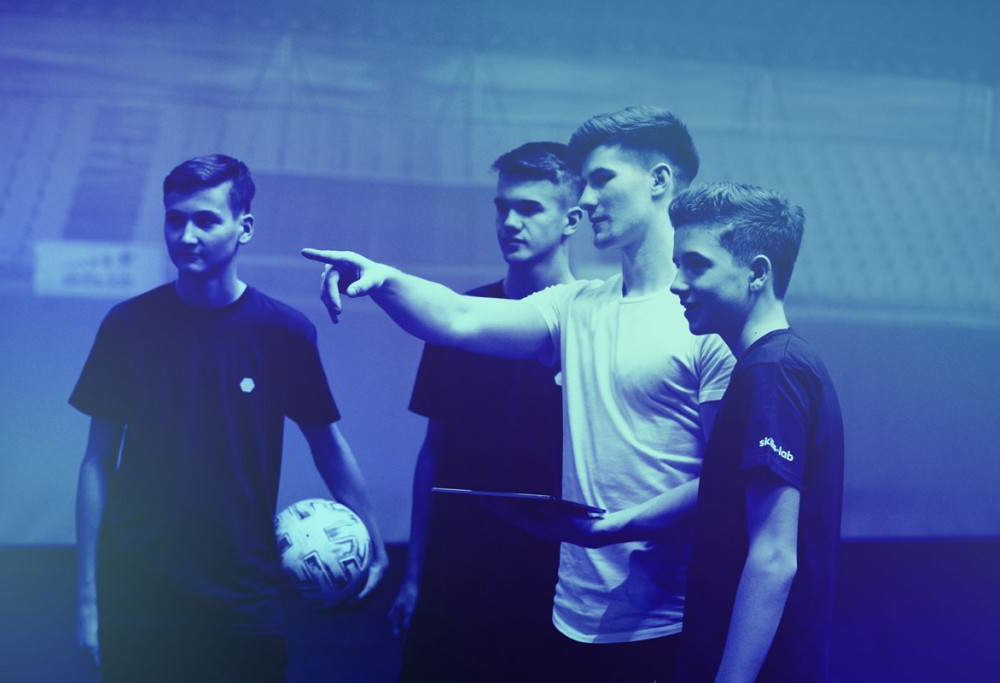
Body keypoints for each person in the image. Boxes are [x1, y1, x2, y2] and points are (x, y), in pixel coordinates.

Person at [304, 106, 735, 683]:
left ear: (659, 182)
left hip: (664, 623)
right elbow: (456, 319)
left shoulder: (706, 319)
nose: (586, 200)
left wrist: (616, 528)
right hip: (572, 617)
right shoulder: (576, 306)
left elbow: (727, 482)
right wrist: (382, 277)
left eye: (602, 179)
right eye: (583, 184)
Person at [71, 154, 389, 683]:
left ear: (244, 228)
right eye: (175, 219)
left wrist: (374, 540)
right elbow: (97, 463)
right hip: (140, 598)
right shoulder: (126, 326)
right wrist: (87, 601)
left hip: (245, 602)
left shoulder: (283, 332)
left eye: (205, 219)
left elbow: (327, 444)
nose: (186, 234)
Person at [389, 142, 583, 682]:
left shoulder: (599, 326)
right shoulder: (454, 320)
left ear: (572, 220)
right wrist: (414, 576)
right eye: (502, 207)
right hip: (457, 577)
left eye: (529, 209)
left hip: (553, 582)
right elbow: (434, 452)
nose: (510, 222)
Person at [667, 182, 844, 682]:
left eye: (696, 265)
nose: (676, 284)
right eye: (677, 264)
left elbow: (773, 557)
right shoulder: (779, 365)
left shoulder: (771, 374)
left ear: (757, 273)